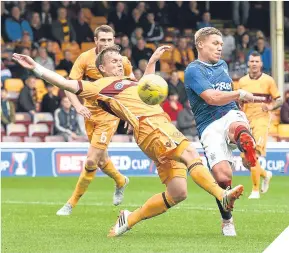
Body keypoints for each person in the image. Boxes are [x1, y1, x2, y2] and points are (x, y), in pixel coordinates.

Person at [13, 45, 246, 238]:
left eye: (119, 59)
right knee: (191, 155)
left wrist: (152, 60)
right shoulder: (101, 86)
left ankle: (129, 219)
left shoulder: (129, 82)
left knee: (178, 193)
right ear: (101, 67)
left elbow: (145, 88)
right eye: (113, 60)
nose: (118, 62)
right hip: (151, 126)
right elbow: (68, 85)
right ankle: (221, 195)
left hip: (156, 130)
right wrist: (37, 68)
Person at [184, 27, 265, 236]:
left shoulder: (223, 65)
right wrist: (238, 92)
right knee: (222, 177)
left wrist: (237, 99)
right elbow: (211, 97)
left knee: (239, 130)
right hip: (208, 124)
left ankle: (247, 146)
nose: (220, 48)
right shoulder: (193, 70)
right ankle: (227, 220)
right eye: (215, 44)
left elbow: (227, 96)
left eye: (221, 44)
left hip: (229, 114)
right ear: (200, 44)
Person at [56, 25, 134, 215]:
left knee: (91, 161)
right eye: (103, 40)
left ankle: (70, 203)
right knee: (100, 161)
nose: (106, 43)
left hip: (109, 115)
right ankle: (121, 180)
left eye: (110, 40)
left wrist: (130, 114)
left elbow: (132, 87)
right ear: (95, 40)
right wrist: (78, 106)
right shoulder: (85, 58)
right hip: (89, 114)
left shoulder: (122, 61)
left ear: (114, 41)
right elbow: (69, 85)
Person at [236, 51, 282, 199]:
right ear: (248, 64)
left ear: (261, 64)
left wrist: (269, 107)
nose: (254, 64)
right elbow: (239, 100)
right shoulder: (242, 81)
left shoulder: (268, 80)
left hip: (261, 120)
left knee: (252, 154)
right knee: (245, 161)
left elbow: (279, 100)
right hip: (246, 120)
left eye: (257, 61)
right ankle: (265, 174)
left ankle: (255, 190)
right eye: (252, 61)